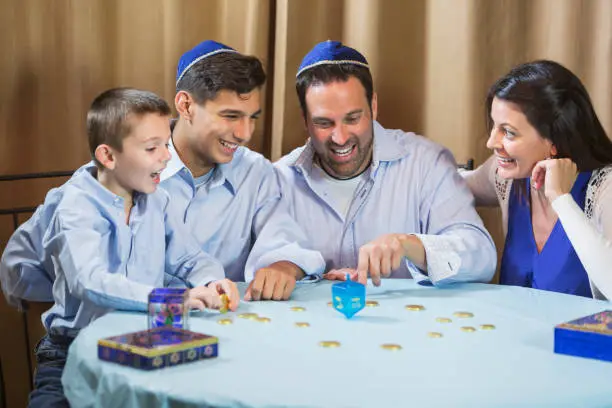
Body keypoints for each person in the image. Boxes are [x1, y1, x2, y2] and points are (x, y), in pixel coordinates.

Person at [1, 88, 239, 407]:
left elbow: (189, 257)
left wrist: (212, 281)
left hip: (143, 339)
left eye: (166, 145)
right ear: (108, 156)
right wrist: (174, 298)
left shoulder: (158, 200)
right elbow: (88, 281)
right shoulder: (75, 206)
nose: (167, 157)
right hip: (73, 349)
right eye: (152, 148)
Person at [275, 40, 496, 287]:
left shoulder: (426, 163)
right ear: (305, 120)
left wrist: (410, 245)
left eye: (353, 118)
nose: (340, 137)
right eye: (324, 123)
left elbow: (482, 256)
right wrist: (304, 275)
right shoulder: (278, 180)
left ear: (374, 107)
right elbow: (257, 269)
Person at [163, 40, 325, 301]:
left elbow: (282, 238)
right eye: (230, 116)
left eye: (252, 118)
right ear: (186, 106)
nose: (244, 134)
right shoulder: (127, 170)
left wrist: (282, 267)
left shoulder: (255, 171)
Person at [462, 60, 612, 300]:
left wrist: (561, 199)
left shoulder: (605, 188)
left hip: (577, 339)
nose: (491, 143)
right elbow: (448, 188)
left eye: (508, 132)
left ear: (553, 141)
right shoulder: (507, 176)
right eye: (494, 127)